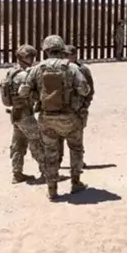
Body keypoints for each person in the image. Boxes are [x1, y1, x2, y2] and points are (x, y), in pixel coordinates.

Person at [18, 35, 90, 201]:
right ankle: (76, 182)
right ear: (61, 49)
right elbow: (84, 90)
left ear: (46, 50)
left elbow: (23, 91)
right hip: (70, 118)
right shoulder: (72, 68)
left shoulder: (37, 69)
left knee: (50, 152)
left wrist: (38, 94)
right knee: (76, 149)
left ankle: (52, 188)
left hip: (47, 118)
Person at [0, 44, 45, 184]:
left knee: (18, 144)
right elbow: (33, 94)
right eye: (31, 57)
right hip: (25, 113)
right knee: (37, 142)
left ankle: (17, 173)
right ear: (26, 58)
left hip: (15, 113)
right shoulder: (24, 75)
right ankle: (47, 172)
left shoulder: (11, 72)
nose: (33, 60)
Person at [62, 44, 95, 169]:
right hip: (62, 108)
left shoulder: (83, 69)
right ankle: (57, 161)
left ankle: (78, 162)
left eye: (68, 55)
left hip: (78, 108)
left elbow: (90, 90)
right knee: (58, 137)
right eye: (64, 55)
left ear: (75, 55)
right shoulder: (60, 68)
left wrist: (85, 105)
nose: (66, 57)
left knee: (77, 137)